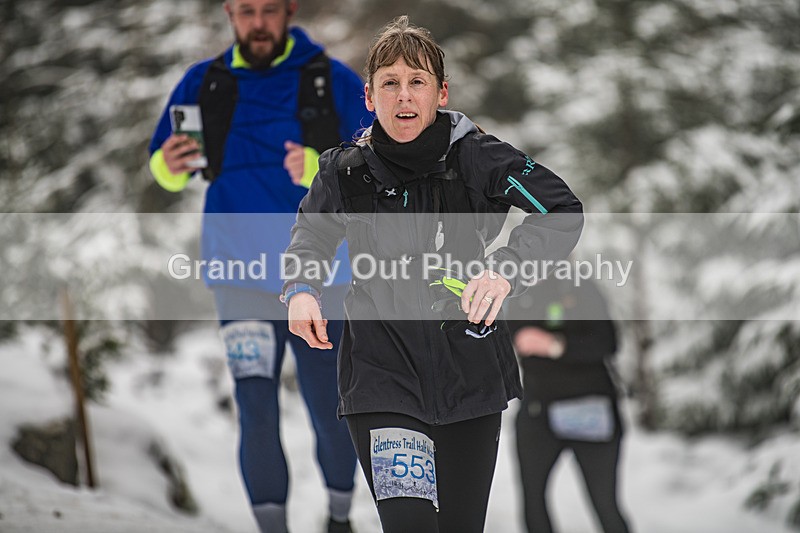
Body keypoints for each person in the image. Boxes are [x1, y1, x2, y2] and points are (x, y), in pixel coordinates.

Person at [281, 16, 584, 533]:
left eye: (417, 82)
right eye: (390, 83)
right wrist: (301, 289)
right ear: (370, 98)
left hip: (470, 372)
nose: (404, 96)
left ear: (440, 93)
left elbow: (562, 210)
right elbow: (310, 237)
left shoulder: (478, 158)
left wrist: (506, 271)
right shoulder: (344, 170)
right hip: (381, 376)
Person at [147, 1, 373, 532]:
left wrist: (322, 167)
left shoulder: (329, 79)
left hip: (323, 278)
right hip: (238, 276)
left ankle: (339, 519)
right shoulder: (203, 82)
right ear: (230, 13)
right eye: (246, 10)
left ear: (288, 10)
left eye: (269, 9)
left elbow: (379, 163)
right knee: (255, 407)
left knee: (331, 407)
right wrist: (169, 165)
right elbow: (164, 162)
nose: (258, 22)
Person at [506, 276, 632, 533]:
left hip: (591, 411)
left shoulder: (582, 288)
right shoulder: (515, 291)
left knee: (604, 504)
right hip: (537, 412)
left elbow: (607, 342)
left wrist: (555, 346)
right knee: (533, 502)